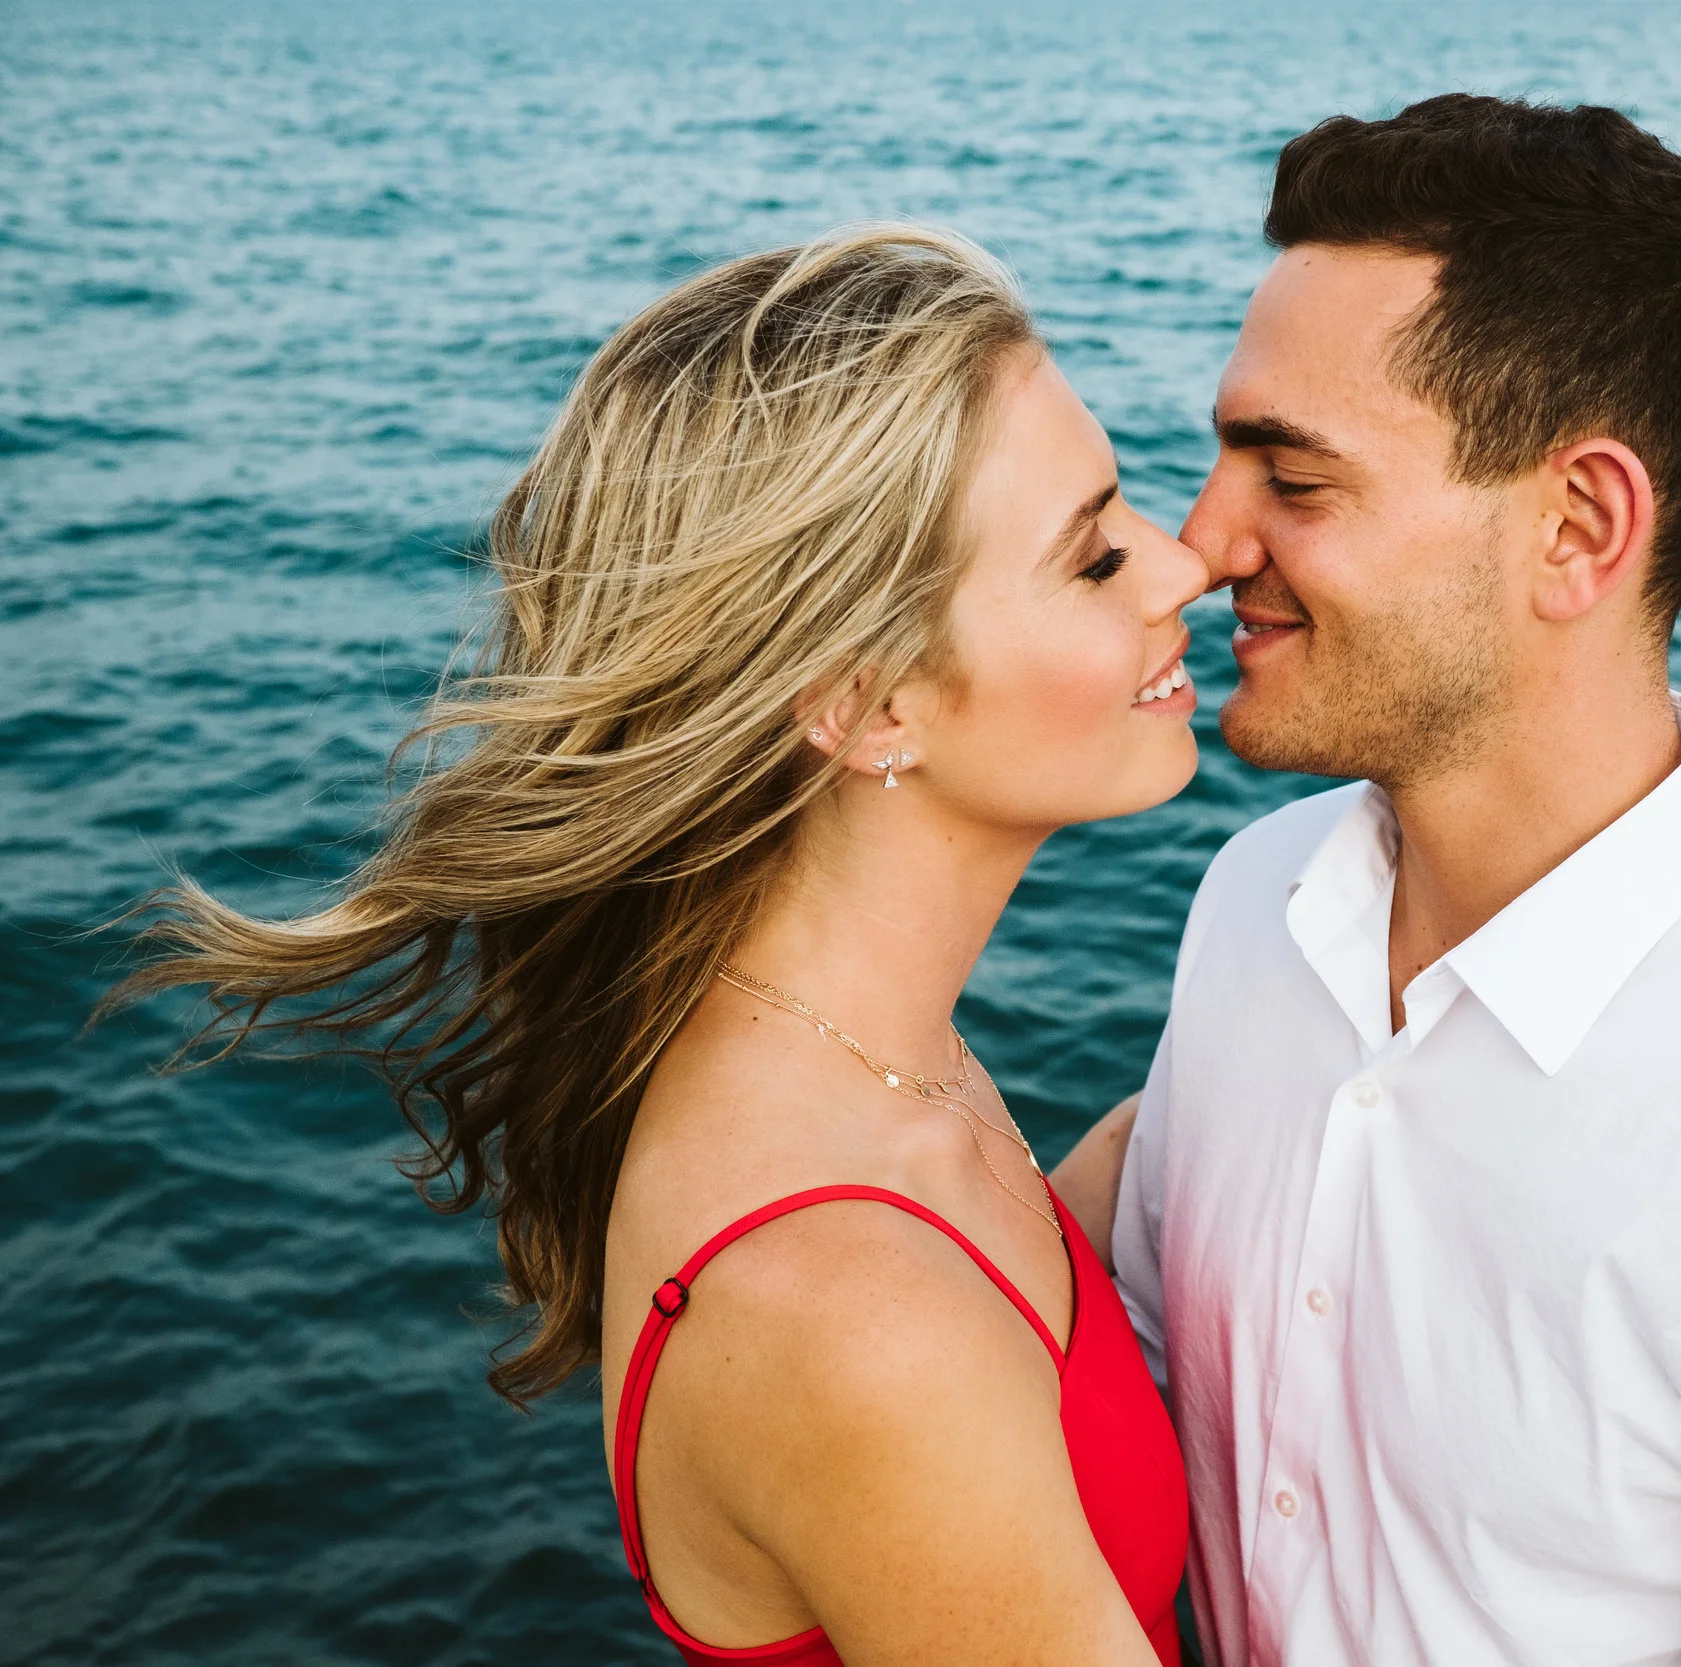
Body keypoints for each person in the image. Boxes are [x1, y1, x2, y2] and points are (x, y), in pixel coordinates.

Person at [1055, 96, 1681, 1664]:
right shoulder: (1251, 911)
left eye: (1295, 479)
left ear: (1579, 527)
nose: (1202, 541)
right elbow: (1122, 1379)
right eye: (1221, 458)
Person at [115, 227, 1205, 1666]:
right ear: (868, 704)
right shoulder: (858, 1314)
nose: (1183, 564)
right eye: (1094, 549)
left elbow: (1019, 1369)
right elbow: (912, 1359)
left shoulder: (854, 1060)